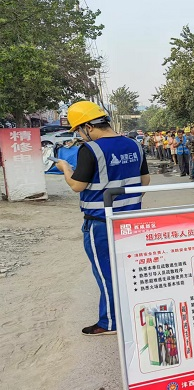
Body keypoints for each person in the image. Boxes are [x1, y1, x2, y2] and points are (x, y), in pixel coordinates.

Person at [54, 101, 150, 335]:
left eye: (78, 130)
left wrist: (65, 168)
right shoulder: (134, 145)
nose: (79, 135)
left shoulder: (90, 149)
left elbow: (77, 185)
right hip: (131, 221)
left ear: (88, 126)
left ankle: (110, 323)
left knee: (107, 272)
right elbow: (145, 181)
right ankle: (137, 313)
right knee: (130, 270)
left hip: (101, 223)